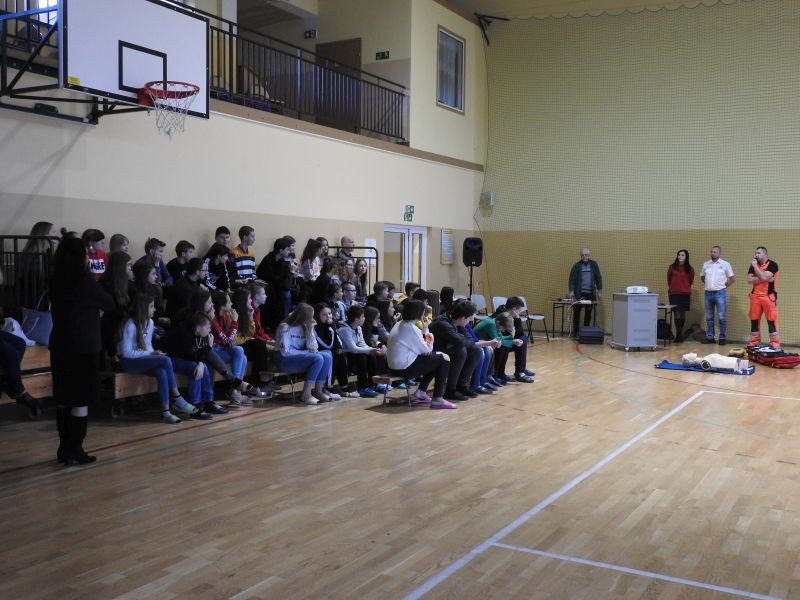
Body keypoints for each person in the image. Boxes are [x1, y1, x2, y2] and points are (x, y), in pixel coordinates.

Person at [48, 236, 114, 465]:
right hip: (83, 347)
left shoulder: (55, 279)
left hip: (60, 344)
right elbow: (108, 302)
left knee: (64, 399)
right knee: (80, 399)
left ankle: (64, 449)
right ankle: (75, 448)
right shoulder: (84, 280)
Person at [118, 293, 200, 424]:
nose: (155, 309)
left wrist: (153, 353)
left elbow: (148, 346)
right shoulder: (130, 325)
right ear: (143, 308)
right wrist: (150, 354)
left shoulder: (150, 322)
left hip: (141, 359)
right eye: (151, 306)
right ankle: (178, 398)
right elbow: (126, 353)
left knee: (161, 370)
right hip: (129, 362)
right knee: (165, 360)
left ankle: (166, 412)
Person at [386, 299, 455, 409]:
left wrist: (424, 329)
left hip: (394, 367)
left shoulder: (400, 324)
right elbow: (427, 349)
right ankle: (438, 399)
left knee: (437, 357)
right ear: (419, 313)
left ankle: (421, 392)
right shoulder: (410, 328)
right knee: (444, 358)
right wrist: (426, 330)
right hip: (404, 368)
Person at [274, 303, 333, 405]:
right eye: (311, 316)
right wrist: (306, 352)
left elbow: (314, 348)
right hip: (283, 360)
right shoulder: (285, 327)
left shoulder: (306, 326)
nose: (312, 319)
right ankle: (306, 395)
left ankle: (318, 391)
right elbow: (285, 352)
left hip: (296, 357)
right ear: (303, 317)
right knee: (318, 358)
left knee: (327, 355)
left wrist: (310, 330)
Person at [429, 299, 483, 401]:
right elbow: (462, 342)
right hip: (432, 353)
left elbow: (470, 340)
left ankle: (461, 386)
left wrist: (460, 340)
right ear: (463, 318)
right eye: (469, 319)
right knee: (460, 351)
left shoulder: (456, 321)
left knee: (476, 351)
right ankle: (450, 390)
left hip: (444, 349)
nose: (470, 321)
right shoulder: (443, 323)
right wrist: (460, 340)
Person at [338, 304, 385, 398]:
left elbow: (362, 344)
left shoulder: (358, 328)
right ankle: (362, 387)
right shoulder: (344, 330)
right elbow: (353, 349)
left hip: (354, 353)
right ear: (356, 319)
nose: (364, 318)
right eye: (363, 316)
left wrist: (373, 350)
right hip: (345, 355)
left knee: (371, 356)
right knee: (362, 357)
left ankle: (373, 384)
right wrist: (370, 350)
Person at [699, 245, 735, 345]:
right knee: (709, 316)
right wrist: (709, 285)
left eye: (715, 252)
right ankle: (710, 337)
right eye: (711, 252)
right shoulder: (706, 264)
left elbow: (732, 278)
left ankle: (722, 337)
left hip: (720, 293)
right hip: (708, 293)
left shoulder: (725, 264)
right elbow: (702, 277)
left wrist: (724, 287)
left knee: (721, 316)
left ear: (719, 253)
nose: (712, 253)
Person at [746, 246, 780, 348]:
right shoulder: (753, 264)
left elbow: (763, 277)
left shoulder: (773, 265)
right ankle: (754, 342)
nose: (756, 255)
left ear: (765, 254)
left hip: (768, 297)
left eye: (758, 253)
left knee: (771, 320)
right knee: (754, 320)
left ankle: (774, 344)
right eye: (755, 253)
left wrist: (756, 268)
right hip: (755, 297)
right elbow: (749, 280)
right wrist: (764, 278)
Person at [568, 247, 602, 337]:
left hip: (590, 294)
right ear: (580, 256)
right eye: (582, 255)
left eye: (586, 255)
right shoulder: (576, 266)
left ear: (589, 255)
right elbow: (571, 279)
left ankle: (585, 332)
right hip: (579, 294)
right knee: (576, 312)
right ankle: (575, 332)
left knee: (588, 313)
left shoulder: (594, 265)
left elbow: (598, 278)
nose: (584, 257)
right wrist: (571, 291)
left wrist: (599, 291)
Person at [667, 249, 694, 343]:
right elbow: (669, 279)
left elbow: (690, 281)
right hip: (674, 294)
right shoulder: (672, 267)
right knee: (676, 314)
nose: (680, 256)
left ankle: (679, 334)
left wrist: (684, 287)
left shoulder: (690, 269)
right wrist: (673, 287)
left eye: (682, 255)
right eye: (679, 255)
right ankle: (679, 335)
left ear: (686, 257)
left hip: (685, 294)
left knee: (682, 314)